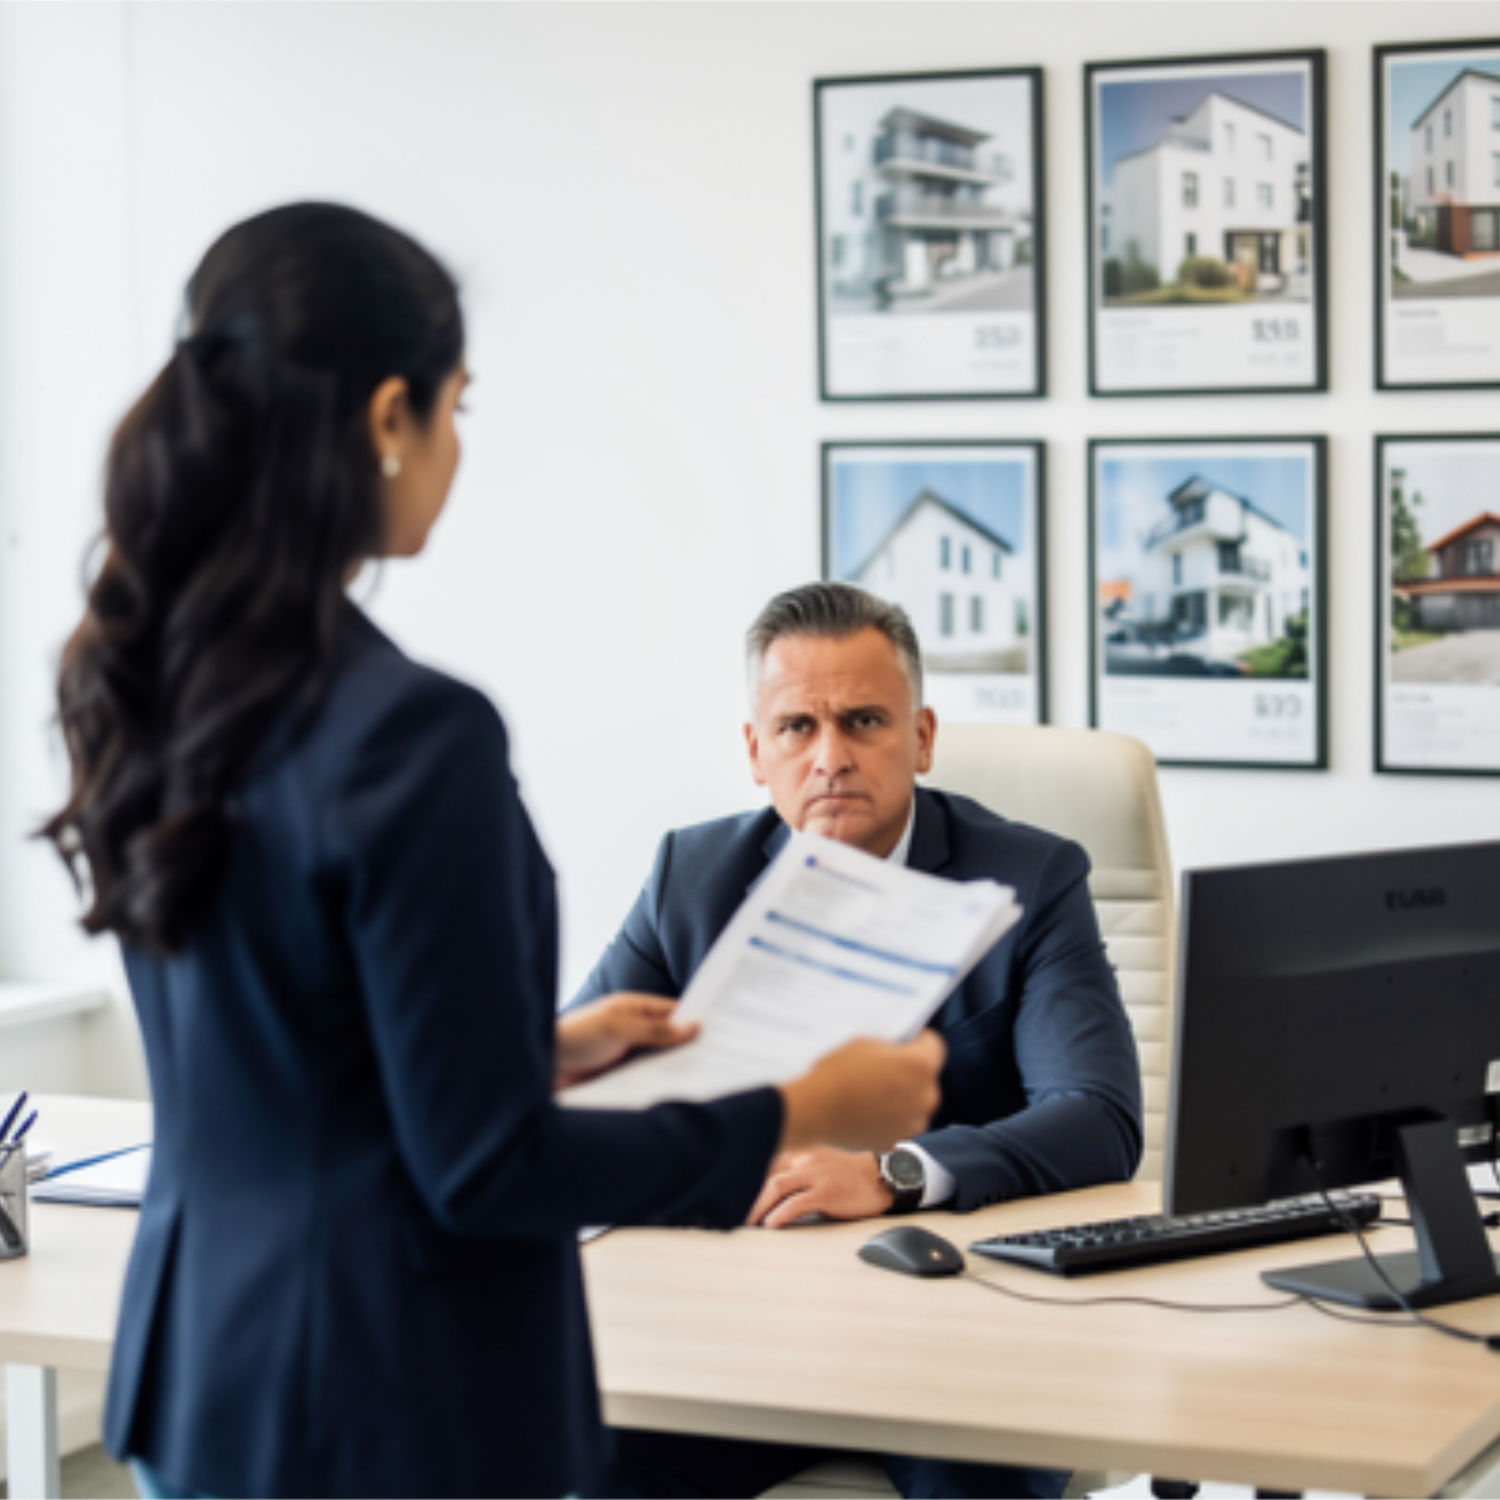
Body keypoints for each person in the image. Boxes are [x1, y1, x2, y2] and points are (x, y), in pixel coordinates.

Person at [38, 205, 944, 1500]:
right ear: (387, 415)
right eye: (456, 408)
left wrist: (537, 1049)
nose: (456, 448)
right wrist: (801, 1111)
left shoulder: (155, 683)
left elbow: (285, 1045)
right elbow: (488, 1172)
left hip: (204, 1374)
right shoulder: (411, 733)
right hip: (382, 1404)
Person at [573, 580, 1144, 1500]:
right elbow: (577, 1098)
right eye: (797, 727)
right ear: (755, 752)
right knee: (585, 1457)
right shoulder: (691, 877)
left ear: (921, 737)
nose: (830, 757)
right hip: (739, 1319)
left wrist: (894, 1173)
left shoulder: (1031, 879)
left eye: (864, 721)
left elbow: (1098, 1117)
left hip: (958, 1322)